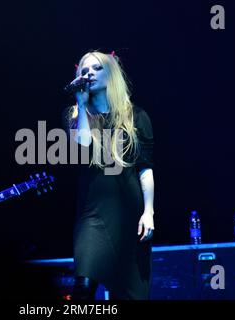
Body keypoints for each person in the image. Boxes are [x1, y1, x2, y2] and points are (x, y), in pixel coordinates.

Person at [64, 51, 155, 300]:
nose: (89, 74)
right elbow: (81, 150)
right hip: (93, 216)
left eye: (96, 69)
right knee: (83, 289)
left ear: (111, 73)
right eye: (84, 71)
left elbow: (145, 169)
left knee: (130, 295)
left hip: (130, 215)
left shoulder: (136, 116)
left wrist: (149, 212)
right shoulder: (74, 116)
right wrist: (82, 105)